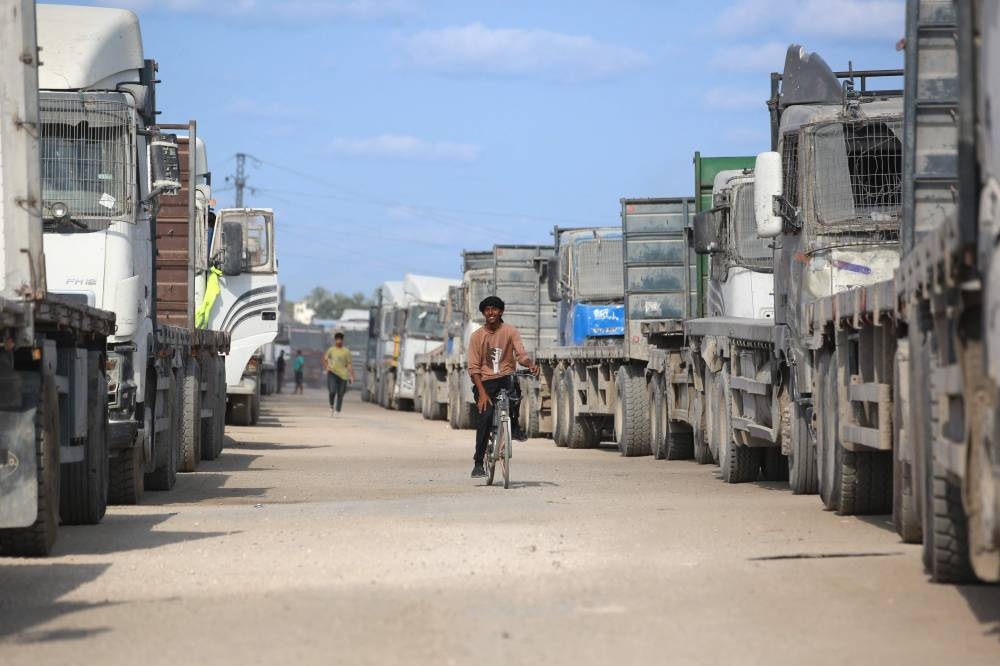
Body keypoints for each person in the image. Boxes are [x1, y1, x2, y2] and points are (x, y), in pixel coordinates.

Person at [467, 296, 539, 478]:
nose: (491, 312)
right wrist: (482, 394)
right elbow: (473, 368)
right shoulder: (477, 337)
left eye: (495, 309)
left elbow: (520, 354)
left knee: (515, 394)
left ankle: (513, 426)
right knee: (486, 416)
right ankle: (477, 463)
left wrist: (529, 364)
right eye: (487, 309)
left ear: (501, 312)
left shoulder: (510, 331)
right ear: (483, 313)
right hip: (485, 382)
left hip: (506, 376)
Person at [323, 332, 354, 415]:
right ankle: (331, 405)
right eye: (337, 339)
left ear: (342, 340)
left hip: (343, 375)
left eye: (340, 340)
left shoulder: (346, 351)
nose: (339, 341)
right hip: (332, 373)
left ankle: (338, 410)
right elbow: (325, 359)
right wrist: (327, 367)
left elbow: (349, 364)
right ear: (335, 340)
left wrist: (351, 375)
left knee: (341, 393)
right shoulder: (331, 350)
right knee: (332, 391)